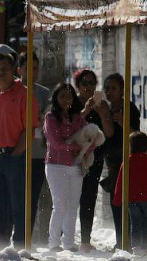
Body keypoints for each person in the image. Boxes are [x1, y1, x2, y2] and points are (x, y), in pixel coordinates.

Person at [0, 51, 35, 248]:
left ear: (15, 70)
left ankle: (21, 247)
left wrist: (15, 154)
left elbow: (29, 129)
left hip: (14, 157)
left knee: (18, 206)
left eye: (5, 68)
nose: (1, 72)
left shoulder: (24, 94)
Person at [43, 82, 87, 251]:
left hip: (75, 166)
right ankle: (54, 242)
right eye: (62, 96)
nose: (66, 100)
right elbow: (56, 143)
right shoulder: (50, 118)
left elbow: (90, 137)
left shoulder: (78, 118)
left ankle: (69, 243)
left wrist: (84, 150)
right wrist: (77, 148)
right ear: (56, 98)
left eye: (69, 96)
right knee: (60, 205)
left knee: (73, 205)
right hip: (55, 165)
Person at [73, 69, 113, 252]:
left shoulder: (102, 105)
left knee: (89, 197)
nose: (89, 88)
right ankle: (64, 237)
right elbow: (69, 129)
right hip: (72, 158)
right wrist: (86, 110)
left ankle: (85, 240)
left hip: (94, 158)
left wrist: (103, 113)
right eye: (84, 84)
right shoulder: (71, 104)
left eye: (92, 84)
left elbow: (109, 132)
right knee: (70, 198)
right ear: (78, 86)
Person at [99, 73, 140, 250]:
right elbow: (107, 134)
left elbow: (136, 134)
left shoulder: (128, 108)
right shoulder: (107, 108)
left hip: (127, 160)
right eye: (107, 88)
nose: (110, 92)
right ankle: (121, 240)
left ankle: (129, 242)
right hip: (112, 162)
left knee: (126, 203)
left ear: (122, 90)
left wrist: (123, 123)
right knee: (115, 203)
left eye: (114, 88)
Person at [18, 50, 50, 238]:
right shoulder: (11, 91)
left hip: (37, 152)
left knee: (32, 198)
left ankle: (27, 237)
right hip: (16, 150)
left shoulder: (43, 93)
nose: (32, 72)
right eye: (28, 68)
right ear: (20, 70)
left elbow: (46, 119)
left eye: (36, 69)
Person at [113, 131, 147, 255]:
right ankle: (145, 248)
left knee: (135, 223)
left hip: (132, 198)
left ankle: (136, 247)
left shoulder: (128, 162)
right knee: (145, 223)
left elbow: (120, 181)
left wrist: (117, 199)